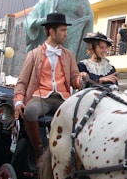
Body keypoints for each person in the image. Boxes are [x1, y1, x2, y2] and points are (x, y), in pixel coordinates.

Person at [14, 13, 82, 165]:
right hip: (41, 97)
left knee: (81, 116)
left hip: (63, 99)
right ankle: (39, 151)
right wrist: (18, 101)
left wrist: (80, 80)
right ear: (52, 32)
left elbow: (74, 79)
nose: (66, 34)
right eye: (63, 30)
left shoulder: (68, 55)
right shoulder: (34, 54)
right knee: (31, 111)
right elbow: (22, 82)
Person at [25, 0, 97, 61]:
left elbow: (87, 35)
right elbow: (29, 20)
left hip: (71, 53)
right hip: (49, 51)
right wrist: (46, 21)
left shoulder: (85, 5)